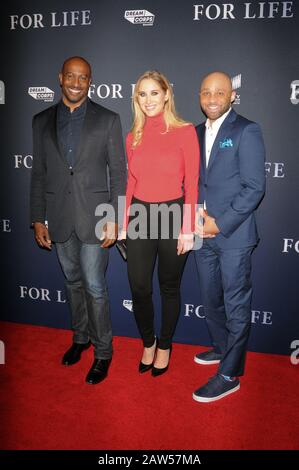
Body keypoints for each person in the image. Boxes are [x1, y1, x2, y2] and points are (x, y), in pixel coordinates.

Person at [30, 56, 126, 384]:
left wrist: (115, 218)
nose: (75, 82)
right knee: (72, 282)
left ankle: (103, 352)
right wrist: (37, 218)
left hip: (95, 218)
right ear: (60, 78)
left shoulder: (108, 119)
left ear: (90, 82)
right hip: (58, 217)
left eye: (82, 77)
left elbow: (120, 173)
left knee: (95, 287)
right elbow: (39, 174)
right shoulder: (40, 120)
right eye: (70, 75)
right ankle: (80, 338)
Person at [120, 70, 199, 376]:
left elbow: (192, 183)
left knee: (169, 286)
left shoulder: (185, 131)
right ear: (136, 99)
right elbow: (130, 182)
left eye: (154, 92)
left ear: (167, 94)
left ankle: (165, 345)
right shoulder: (132, 136)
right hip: (139, 214)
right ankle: (148, 342)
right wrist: (124, 221)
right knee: (139, 285)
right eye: (142, 94)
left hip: (173, 214)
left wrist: (188, 228)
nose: (149, 99)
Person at [193, 71, 266, 402]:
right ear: (199, 95)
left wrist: (219, 224)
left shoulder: (246, 130)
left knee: (236, 304)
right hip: (200, 233)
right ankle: (222, 348)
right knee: (211, 300)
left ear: (232, 96)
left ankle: (229, 374)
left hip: (232, 235)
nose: (211, 98)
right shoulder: (194, 133)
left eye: (219, 93)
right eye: (206, 92)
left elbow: (254, 188)